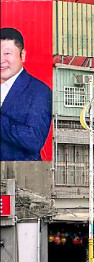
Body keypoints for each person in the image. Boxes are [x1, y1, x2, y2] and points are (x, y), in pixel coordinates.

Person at [0, 27, 52, 161]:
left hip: (19, 175)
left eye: (7, 53)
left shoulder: (39, 91)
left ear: (22, 55)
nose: (1, 60)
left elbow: (34, 139)